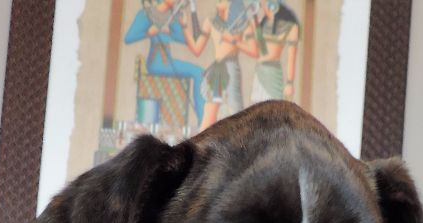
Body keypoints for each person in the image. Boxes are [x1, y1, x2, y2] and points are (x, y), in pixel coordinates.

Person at [125, 0, 206, 126]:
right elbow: (129, 38)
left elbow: (186, 40)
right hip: (156, 62)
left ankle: (203, 120)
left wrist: (181, 27)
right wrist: (148, 33)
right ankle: (202, 120)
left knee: (199, 72)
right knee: (198, 71)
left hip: (167, 61)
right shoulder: (146, 14)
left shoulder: (173, 16)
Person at [181, 1, 259, 131]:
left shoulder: (243, 24)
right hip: (215, 71)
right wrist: (184, 25)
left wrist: (234, 41)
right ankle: (200, 144)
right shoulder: (211, 21)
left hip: (231, 68)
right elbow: (196, 49)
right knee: (209, 114)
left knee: (237, 114)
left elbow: (254, 51)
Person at [251, 1, 300, 103]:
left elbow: (291, 58)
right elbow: (259, 50)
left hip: (273, 74)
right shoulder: (260, 23)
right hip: (259, 73)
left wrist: (289, 83)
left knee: (273, 109)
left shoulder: (290, 26)